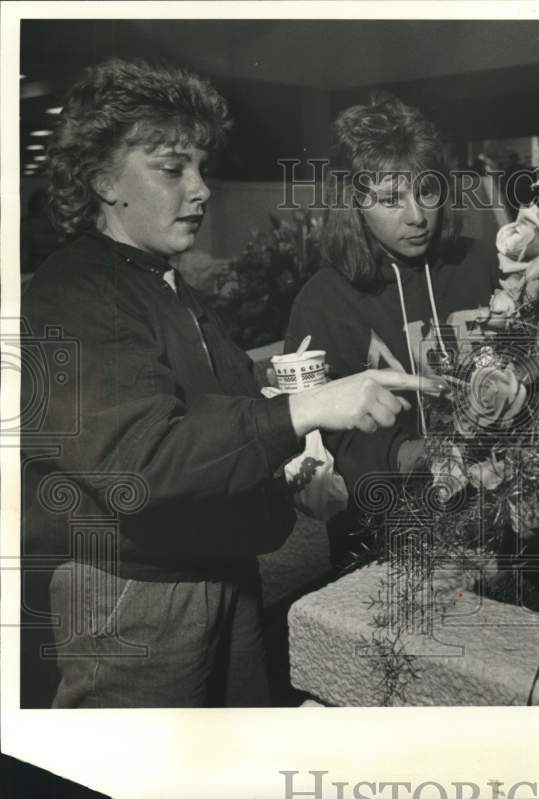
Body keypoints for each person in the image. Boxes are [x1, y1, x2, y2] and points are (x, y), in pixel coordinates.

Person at [22, 59, 428, 708]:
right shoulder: (75, 288)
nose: (203, 188)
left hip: (221, 574)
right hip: (135, 596)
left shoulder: (169, 288)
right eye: (172, 168)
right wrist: (311, 405)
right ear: (103, 179)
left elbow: (222, 428)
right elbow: (146, 462)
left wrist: (291, 482)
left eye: (202, 167)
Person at [284, 95, 498, 573]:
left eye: (426, 191)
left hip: (497, 523)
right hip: (383, 544)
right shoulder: (322, 302)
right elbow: (319, 438)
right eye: (390, 199)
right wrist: (412, 454)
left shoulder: (480, 264)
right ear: (354, 205)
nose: (417, 216)